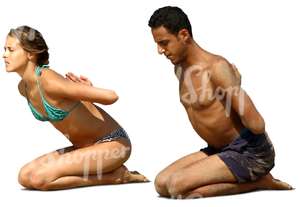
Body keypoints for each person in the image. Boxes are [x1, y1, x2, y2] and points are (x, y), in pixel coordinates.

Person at [148, 6, 292, 198]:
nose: (160, 51)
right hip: (219, 150)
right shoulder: (180, 69)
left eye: (164, 43)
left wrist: (236, 90)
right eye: (158, 44)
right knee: (162, 184)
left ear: (184, 35)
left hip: (250, 152)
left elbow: (258, 125)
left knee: (177, 187)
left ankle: (260, 181)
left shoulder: (217, 68)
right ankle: (239, 176)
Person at [3, 25, 148, 191]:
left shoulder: (49, 82)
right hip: (83, 148)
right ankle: (109, 172)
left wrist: (90, 91)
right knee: (24, 176)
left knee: (38, 179)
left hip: (113, 144)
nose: (4, 55)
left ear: (30, 53)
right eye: (5, 49)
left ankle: (116, 176)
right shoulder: (24, 88)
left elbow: (111, 96)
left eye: (11, 50)